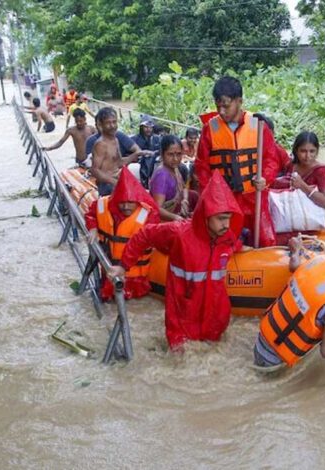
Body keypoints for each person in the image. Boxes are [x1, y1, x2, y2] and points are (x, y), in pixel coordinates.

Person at [107, 172, 243, 351]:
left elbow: (234, 245)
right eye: (221, 219)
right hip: (182, 315)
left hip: (215, 316)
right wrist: (124, 267)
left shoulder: (226, 237)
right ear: (206, 215)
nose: (226, 224)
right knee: (180, 361)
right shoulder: (179, 233)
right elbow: (144, 235)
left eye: (228, 218)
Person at [253, 230, 325, 369]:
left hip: (261, 341)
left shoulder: (317, 261)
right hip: (275, 362)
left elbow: (294, 266)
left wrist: (297, 250)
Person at [196, 76, 281, 247]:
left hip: (254, 197)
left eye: (226, 106)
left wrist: (265, 179)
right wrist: (211, 197)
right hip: (225, 200)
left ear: (239, 101)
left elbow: (271, 159)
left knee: (265, 239)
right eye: (218, 105)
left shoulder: (258, 126)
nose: (221, 111)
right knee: (225, 242)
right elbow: (202, 167)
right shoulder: (209, 129)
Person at [85, 169, 160, 300]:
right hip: (109, 273)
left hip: (136, 278)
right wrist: (93, 228)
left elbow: (141, 244)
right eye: (122, 202)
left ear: (137, 199)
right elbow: (90, 214)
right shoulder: (103, 204)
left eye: (130, 202)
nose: (126, 206)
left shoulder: (149, 215)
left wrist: (123, 266)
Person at [91, 107, 143, 196]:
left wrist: (135, 155)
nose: (112, 126)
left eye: (114, 122)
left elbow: (119, 162)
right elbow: (95, 170)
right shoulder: (101, 144)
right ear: (101, 124)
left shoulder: (115, 140)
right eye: (108, 123)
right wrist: (114, 182)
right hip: (106, 186)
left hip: (117, 179)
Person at [150, 135, 199, 221]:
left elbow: (184, 187)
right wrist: (176, 218)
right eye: (170, 154)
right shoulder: (162, 175)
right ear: (162, 154)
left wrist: (185, 199)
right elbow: (157, 209)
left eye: (179, 154)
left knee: (194, 195)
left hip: (176, 211)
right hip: (164, 221)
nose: (175, 159)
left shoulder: (175, 168)